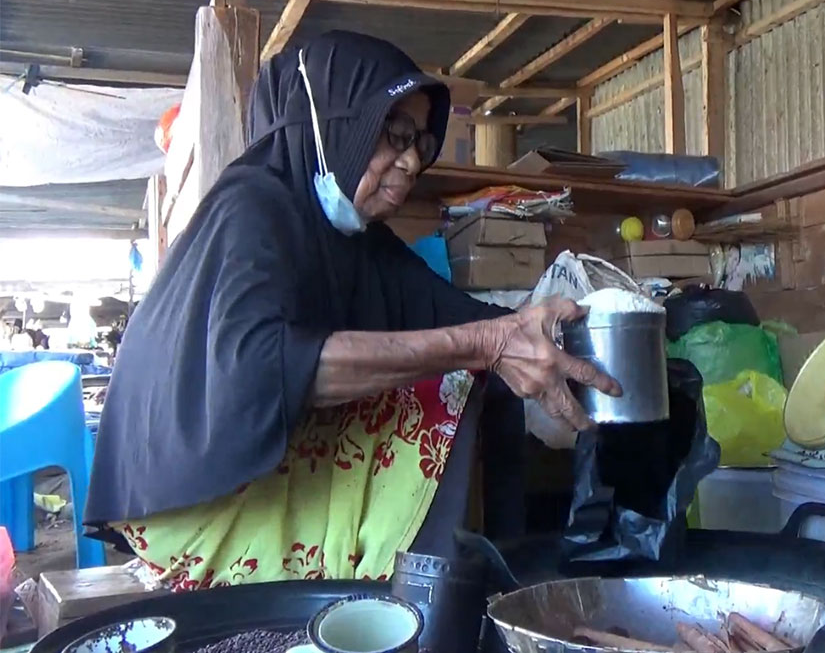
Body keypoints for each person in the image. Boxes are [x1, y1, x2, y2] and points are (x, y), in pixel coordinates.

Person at [84, 31, 619, 590]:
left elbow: (461, 317)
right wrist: (488, 343)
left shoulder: (356, 238)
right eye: (394, 134)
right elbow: (261, 367)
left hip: (244, 473)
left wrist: (549, 332)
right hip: (189, 501)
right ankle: (414, 610)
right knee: (450, 383)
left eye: (420, 142)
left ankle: (485, 589)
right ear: (332, 123)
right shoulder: (253, 208)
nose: (412, 161)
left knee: (478, 363)